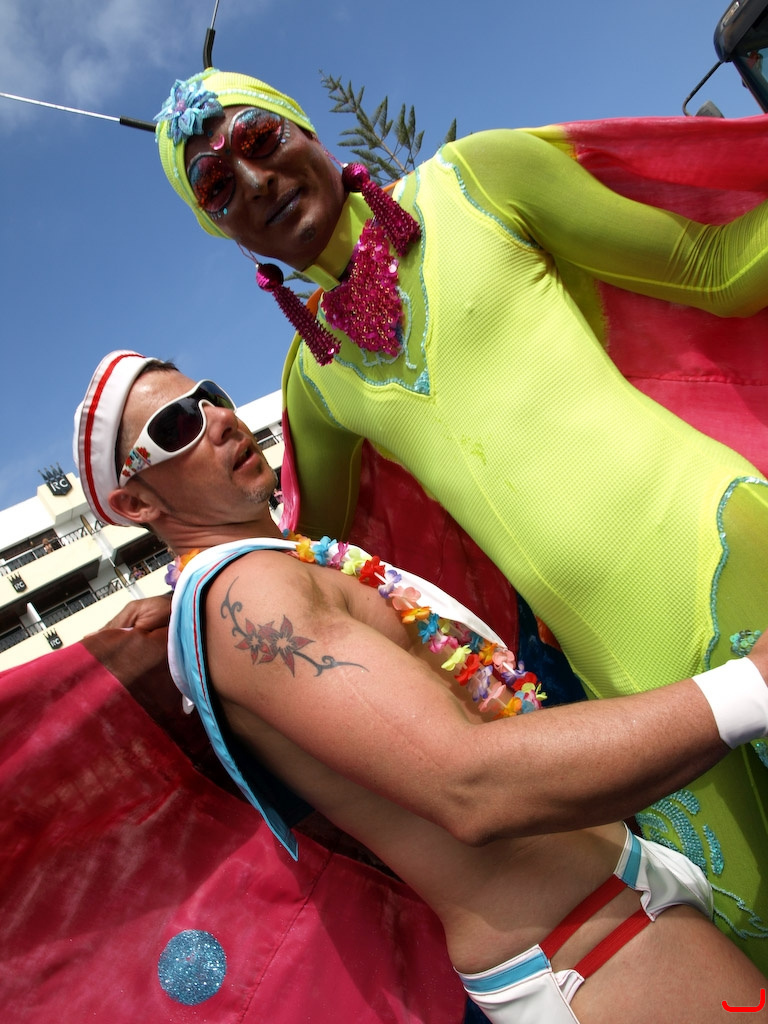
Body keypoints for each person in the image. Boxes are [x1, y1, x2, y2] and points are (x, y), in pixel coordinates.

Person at [152, 69, 768, 966]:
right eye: (216, 185)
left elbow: (714, 270)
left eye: (258, 139)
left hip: (731, 556)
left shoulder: (474, 181)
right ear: (223, 227)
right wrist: (173, 596)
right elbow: (304, 556)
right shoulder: (315, 379)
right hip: (623, 682)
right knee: (750, 932)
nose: (252, 180)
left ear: (304, 129)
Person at [73, 350, 768, 1021]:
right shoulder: (245, 597)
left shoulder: (273, 569)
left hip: (610, 906)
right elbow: (471, 786)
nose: (219, 419)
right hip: (588, 944)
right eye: (177, 426)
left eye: (211, 397)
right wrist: (754, 687)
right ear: (135, 502)